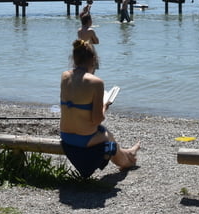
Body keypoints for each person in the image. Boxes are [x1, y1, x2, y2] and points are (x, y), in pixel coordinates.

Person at [59, 39, 139, 176]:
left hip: (65, 135)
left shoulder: (65, 76)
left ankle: (128, 153)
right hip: (83, 139)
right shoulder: (96, 82)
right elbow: (97, 120)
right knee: (107, 135)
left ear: (73, 58)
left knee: (105, 133)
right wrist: (105, 106)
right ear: (94, 59)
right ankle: (128, 162)